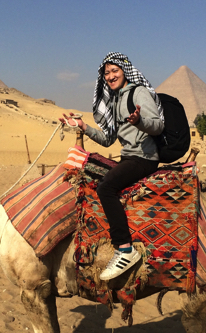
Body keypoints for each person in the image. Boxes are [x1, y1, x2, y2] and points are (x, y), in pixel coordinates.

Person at [60, 52, 164, 280]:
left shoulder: (138, 93)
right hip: (129, 158)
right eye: (106, 73)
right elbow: (108, 139)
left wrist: (140, 121)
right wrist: (82, 126)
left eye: (114, 70)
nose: (110, 76)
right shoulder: (116, 100)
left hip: (144, 157)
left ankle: (125, 249)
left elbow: (158, 126)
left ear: (125, 71)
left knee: (106, 188)